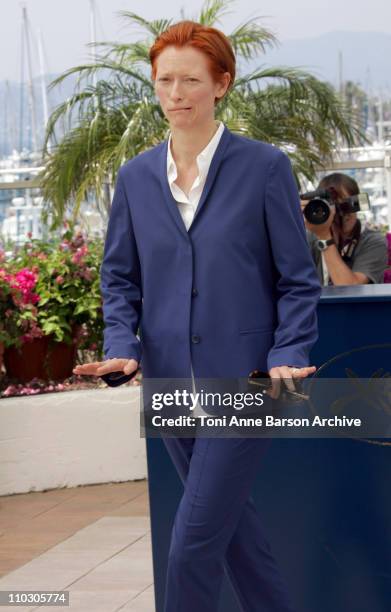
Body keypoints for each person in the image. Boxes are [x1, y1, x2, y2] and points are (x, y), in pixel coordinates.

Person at [73, 20, 322, 612]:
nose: (176, 94)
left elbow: (297, 277)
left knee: (193, 542)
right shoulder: (134, 178)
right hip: (166, 381)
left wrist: (289, 351)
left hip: (245, 381)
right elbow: (119, 276)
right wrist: (121, 341)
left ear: (222, 84)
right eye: (165, 80)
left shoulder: (263, 167)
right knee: (235, 537)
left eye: (191, 80)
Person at [303, 173, 388, 286]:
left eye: (349, 205)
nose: (345, 214)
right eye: (336, 207)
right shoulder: (310, 239)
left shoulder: (373, 241)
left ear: (358, 203)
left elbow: (349, 287)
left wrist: (325, 237)